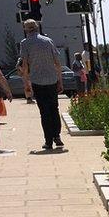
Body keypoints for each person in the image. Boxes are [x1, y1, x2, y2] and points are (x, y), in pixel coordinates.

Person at [19, 19, 64, 150]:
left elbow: (25, 64)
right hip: (51, 79)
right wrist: (60, 81)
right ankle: (57, 136)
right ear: (37, 27)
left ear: (26, 30)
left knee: (44, 111)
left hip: (37, 80)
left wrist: (26, 83)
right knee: (54, 109)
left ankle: (48, 140)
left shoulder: (25, 43)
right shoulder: (48, 41)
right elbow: (57, 63)